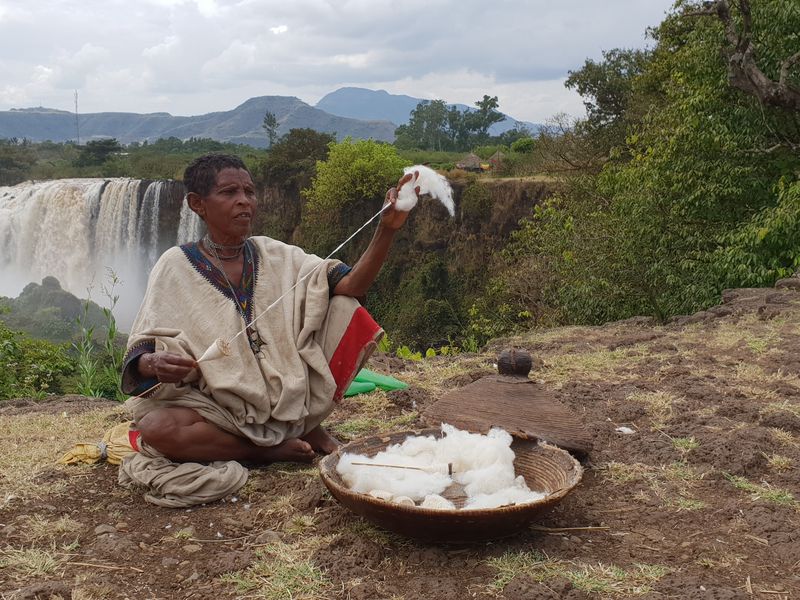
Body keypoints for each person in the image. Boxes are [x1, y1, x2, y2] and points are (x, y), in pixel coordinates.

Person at [121, 153, 414, 466]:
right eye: (229, 192)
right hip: (218, 404)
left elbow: (352, 286)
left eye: (249, 192)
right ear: (197, 204)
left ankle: (306, 424)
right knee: (156, 427)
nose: (244, 201)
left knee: (346, 308)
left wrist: (387, 229)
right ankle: (262, 451)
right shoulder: (174, 265)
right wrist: (154, 362)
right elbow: (141, 353)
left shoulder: (275, 254)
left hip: (288, 392)